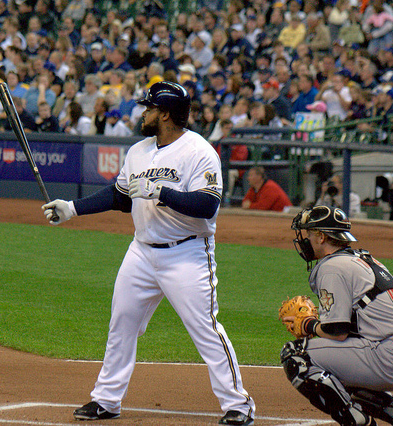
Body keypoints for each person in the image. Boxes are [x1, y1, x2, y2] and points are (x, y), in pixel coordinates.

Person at [41, 81, 255, 424]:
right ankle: (106, 400)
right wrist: (72, 208)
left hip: (186, 253)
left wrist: (161, 191)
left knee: (205, 329)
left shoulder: (199, 152)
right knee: (122, 323)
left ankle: (239, 405)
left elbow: (207, 205)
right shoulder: (139, 151)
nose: (143, 113)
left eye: (149, 108)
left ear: (165, 114)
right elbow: (120, 196)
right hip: (141, 252)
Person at [283, 205, 393, 426]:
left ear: (321, 237)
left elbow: (337, 331)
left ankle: (357, 422)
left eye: (309, 234)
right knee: (335, 373)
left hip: (391, 355)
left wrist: (308, 325)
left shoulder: (332, 266)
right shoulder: (363, 259)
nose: (306, 240)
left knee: (295, 354)